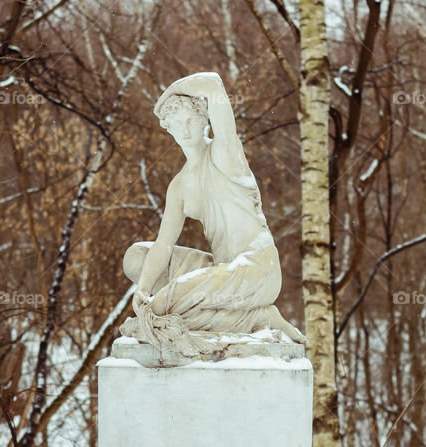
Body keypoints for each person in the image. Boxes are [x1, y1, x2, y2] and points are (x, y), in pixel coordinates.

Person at [121, 72, 304, 351]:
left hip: (256, 269)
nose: (185, 130)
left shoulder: (224, 153)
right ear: (168, 128)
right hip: (220, 270)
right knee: (136, 258)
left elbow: (212, 83)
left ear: (204, 119)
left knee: (163, 306)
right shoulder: (179, 186)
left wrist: (167, 96)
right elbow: (163, 245)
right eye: (176, 123)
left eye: (190, 120)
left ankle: (256, 317)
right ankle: (254, 317)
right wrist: (143, 288)